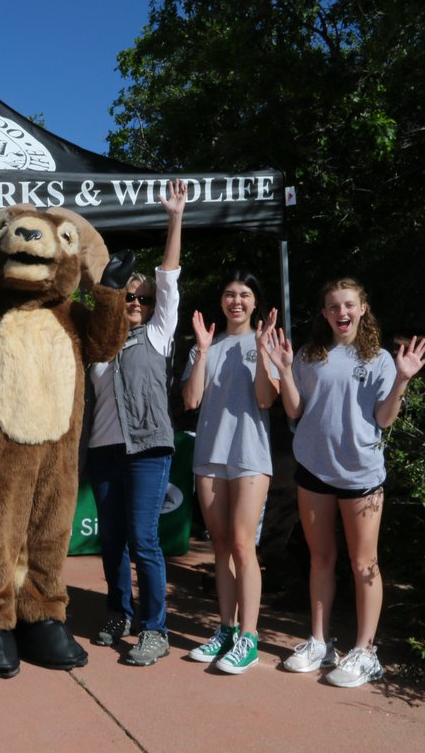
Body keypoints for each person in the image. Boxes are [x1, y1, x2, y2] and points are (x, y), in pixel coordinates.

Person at [262, 277, 425, 688]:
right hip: (314, 471)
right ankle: (319, 641)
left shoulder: (379, 359)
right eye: (334, 306)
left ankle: (366, 651)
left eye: (349, 305)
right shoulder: (308, 355)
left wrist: (404, 379)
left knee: (363, 563)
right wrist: (284, 370)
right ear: (324, 313)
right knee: (320, 559)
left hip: (361, 476)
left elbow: (384, 419)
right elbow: (295, 409)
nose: (342, 313)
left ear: (362, 309)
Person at [85, 179, 185, 666]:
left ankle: (155, 629)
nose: (136, 304)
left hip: (147, 450)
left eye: (142, 299)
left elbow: (169, 277)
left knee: (144, 539)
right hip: (104, 453)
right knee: (112, 541)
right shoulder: (97, 346)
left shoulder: (159, 334)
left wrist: (175, 218)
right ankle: (118, 613)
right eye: (128, 297)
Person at [180, 272, 280, 674]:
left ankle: (249, 638)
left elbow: (265, 398)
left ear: (255, 303)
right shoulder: (206, 344)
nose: (236, 301)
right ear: (221, 302)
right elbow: (191, 400)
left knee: (243, 545)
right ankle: (225, 629)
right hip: (209, 455)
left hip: (251, 457)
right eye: (229, 295)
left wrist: (260, 348)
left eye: (244, 295)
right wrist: (202, 352)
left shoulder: (266, 344)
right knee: (221, 547)